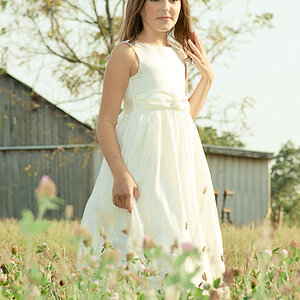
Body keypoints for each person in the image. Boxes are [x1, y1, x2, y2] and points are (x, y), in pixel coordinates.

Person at [77, 0, 229, 296]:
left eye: (173, 0)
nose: (166, 7)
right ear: (139, 6)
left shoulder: (177, 55)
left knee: (177, 239)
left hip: (176, 168)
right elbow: (106, 121)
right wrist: (120, 173)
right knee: (140, 244)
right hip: (141, 166)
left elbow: (182, 116)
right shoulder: (127, 53)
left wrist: (207, 79)